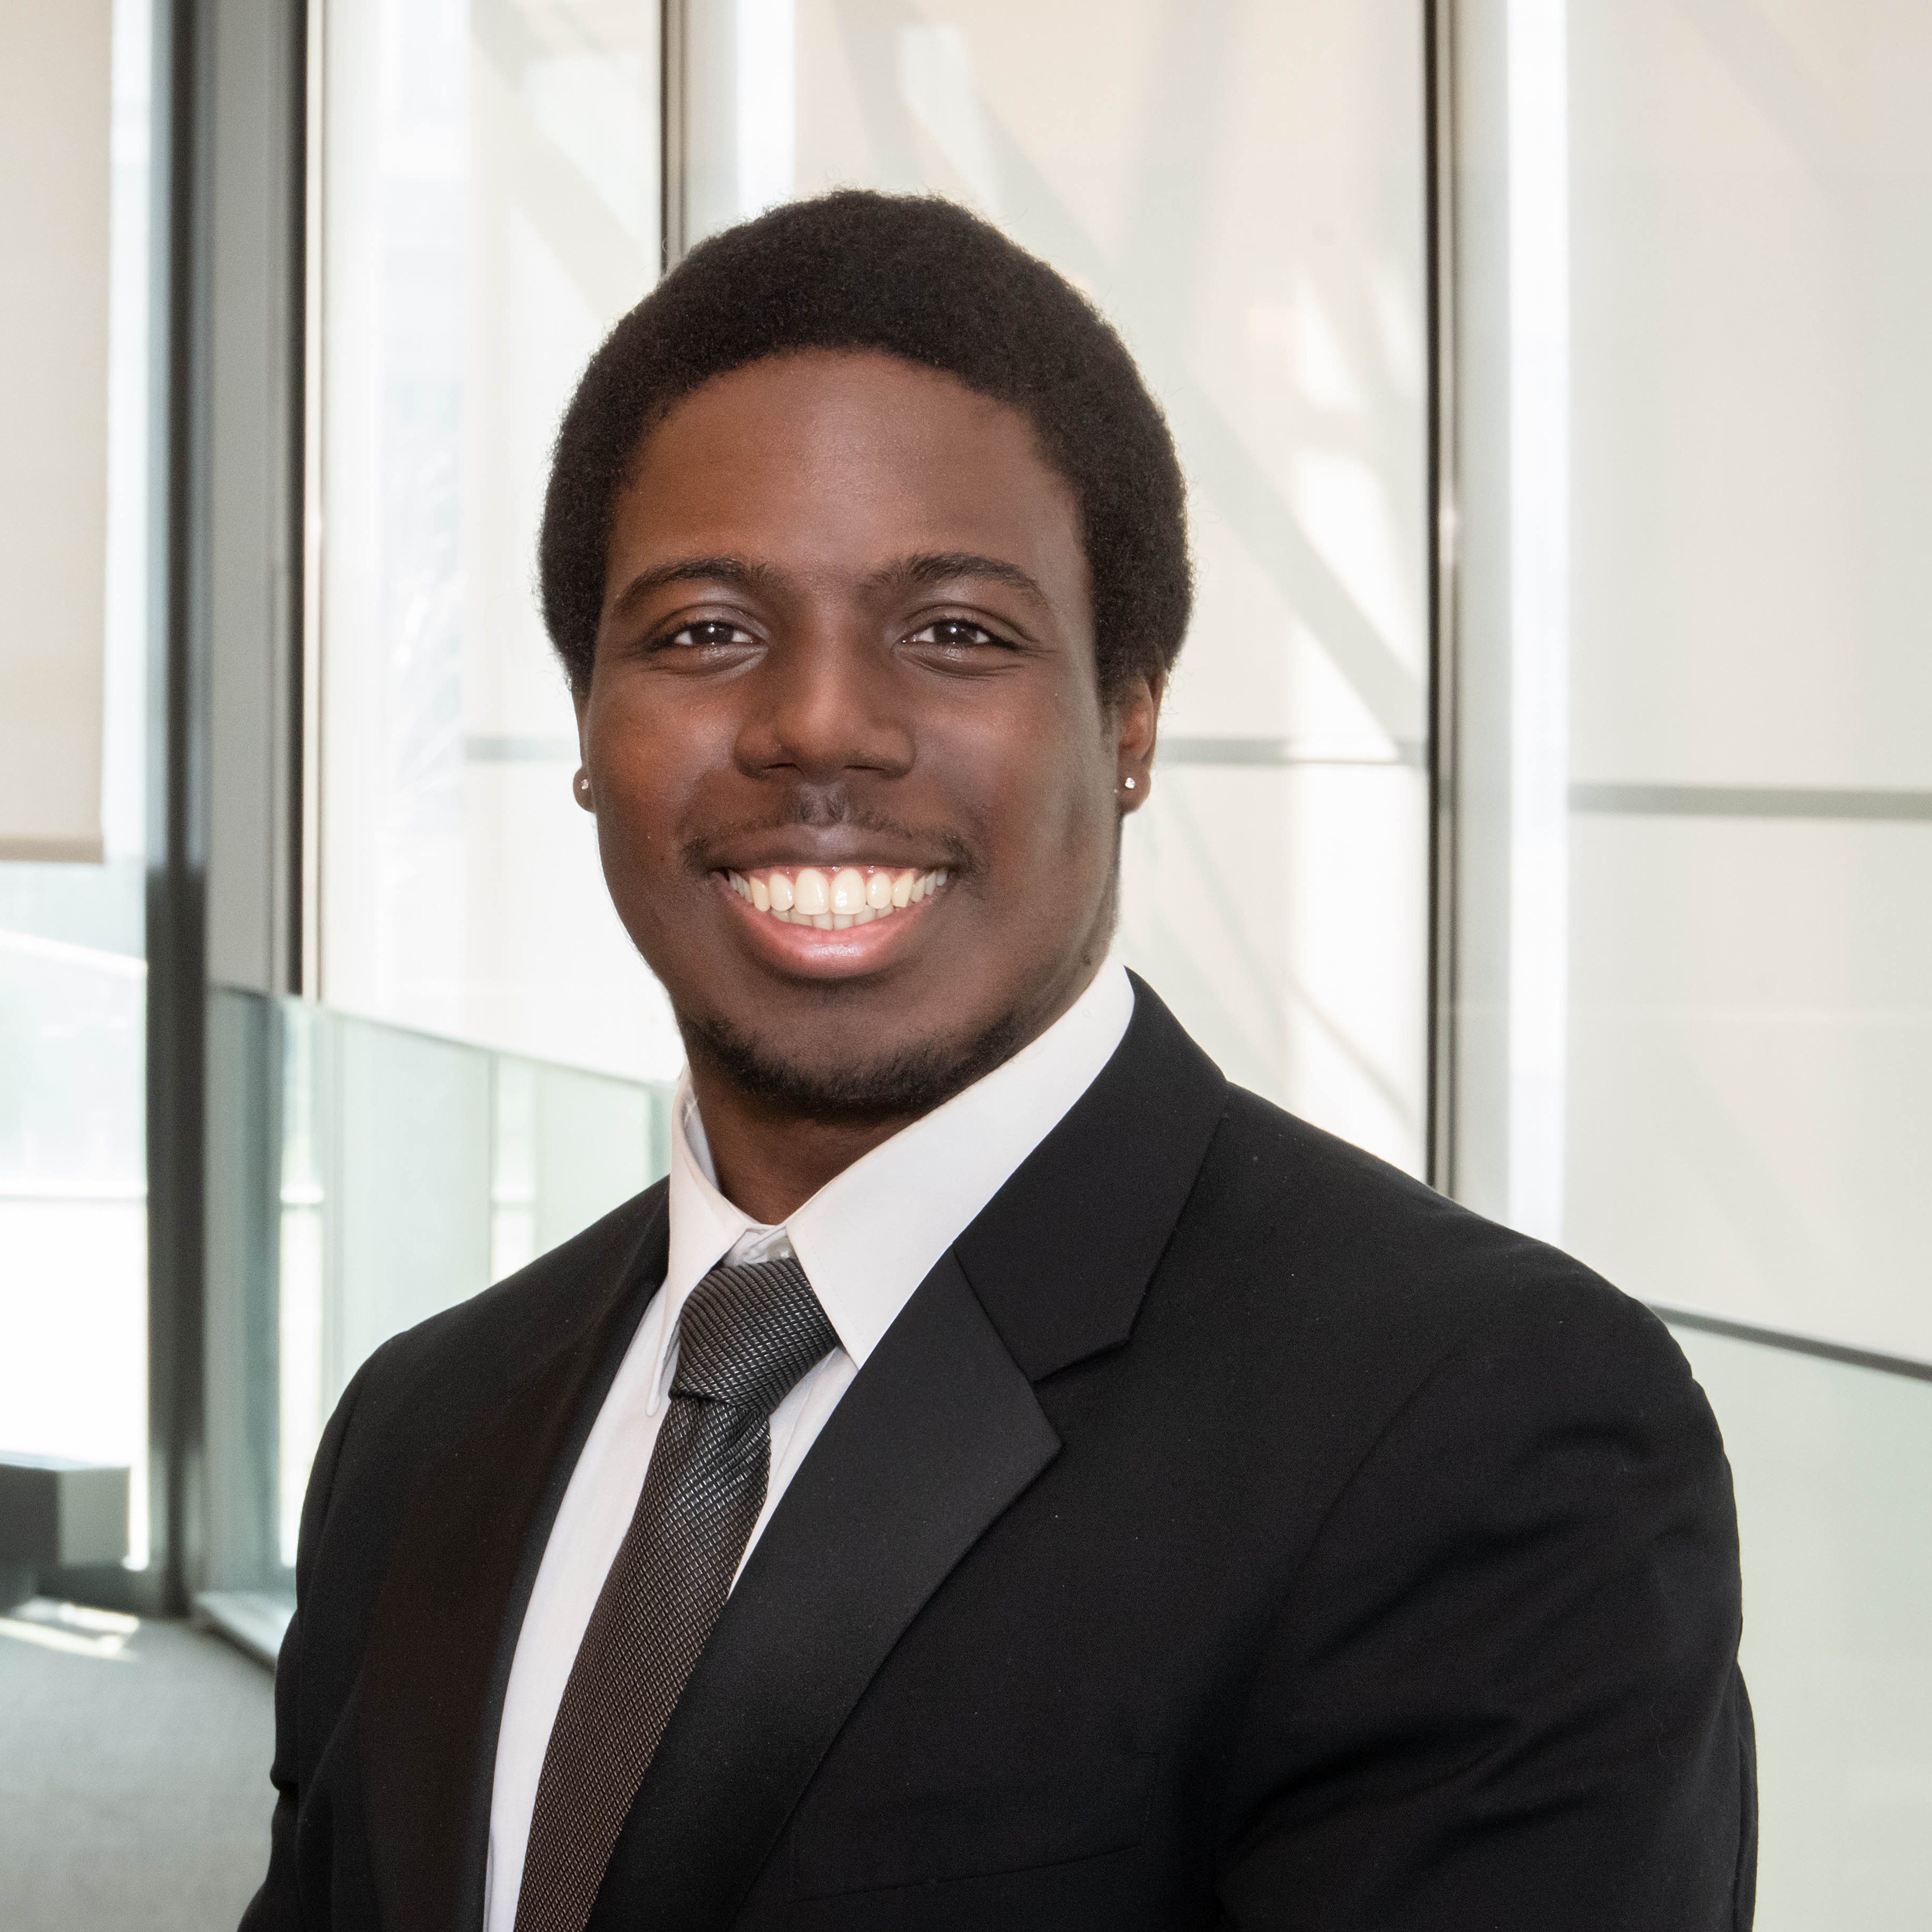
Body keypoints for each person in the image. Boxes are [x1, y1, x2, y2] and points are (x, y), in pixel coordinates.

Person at [241, 191, 1754, 1932]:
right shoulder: (423, 1429)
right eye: (706, 631)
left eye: (955, 630)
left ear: (1131, 719)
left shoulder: (1479, 1431)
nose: (820, 725)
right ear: (588, 721)